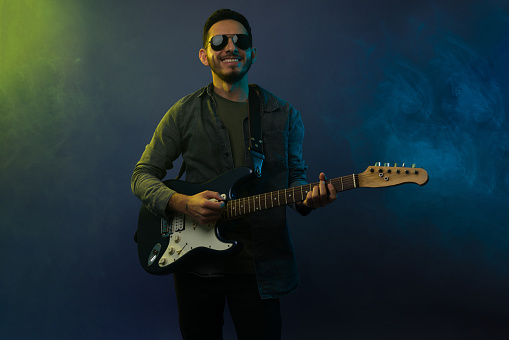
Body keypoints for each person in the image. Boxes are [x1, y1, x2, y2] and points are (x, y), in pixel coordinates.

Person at [131, 8, 336, 340]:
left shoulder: (284, 115)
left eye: (240, 40)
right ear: (204, 55)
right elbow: (142, 175)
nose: (231, 46)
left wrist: (310, 199)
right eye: (219, 41)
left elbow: (296, 178)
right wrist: (183, 203)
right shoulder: (183, 113)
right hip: (195, 266)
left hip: (260, 267)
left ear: (252, 52)